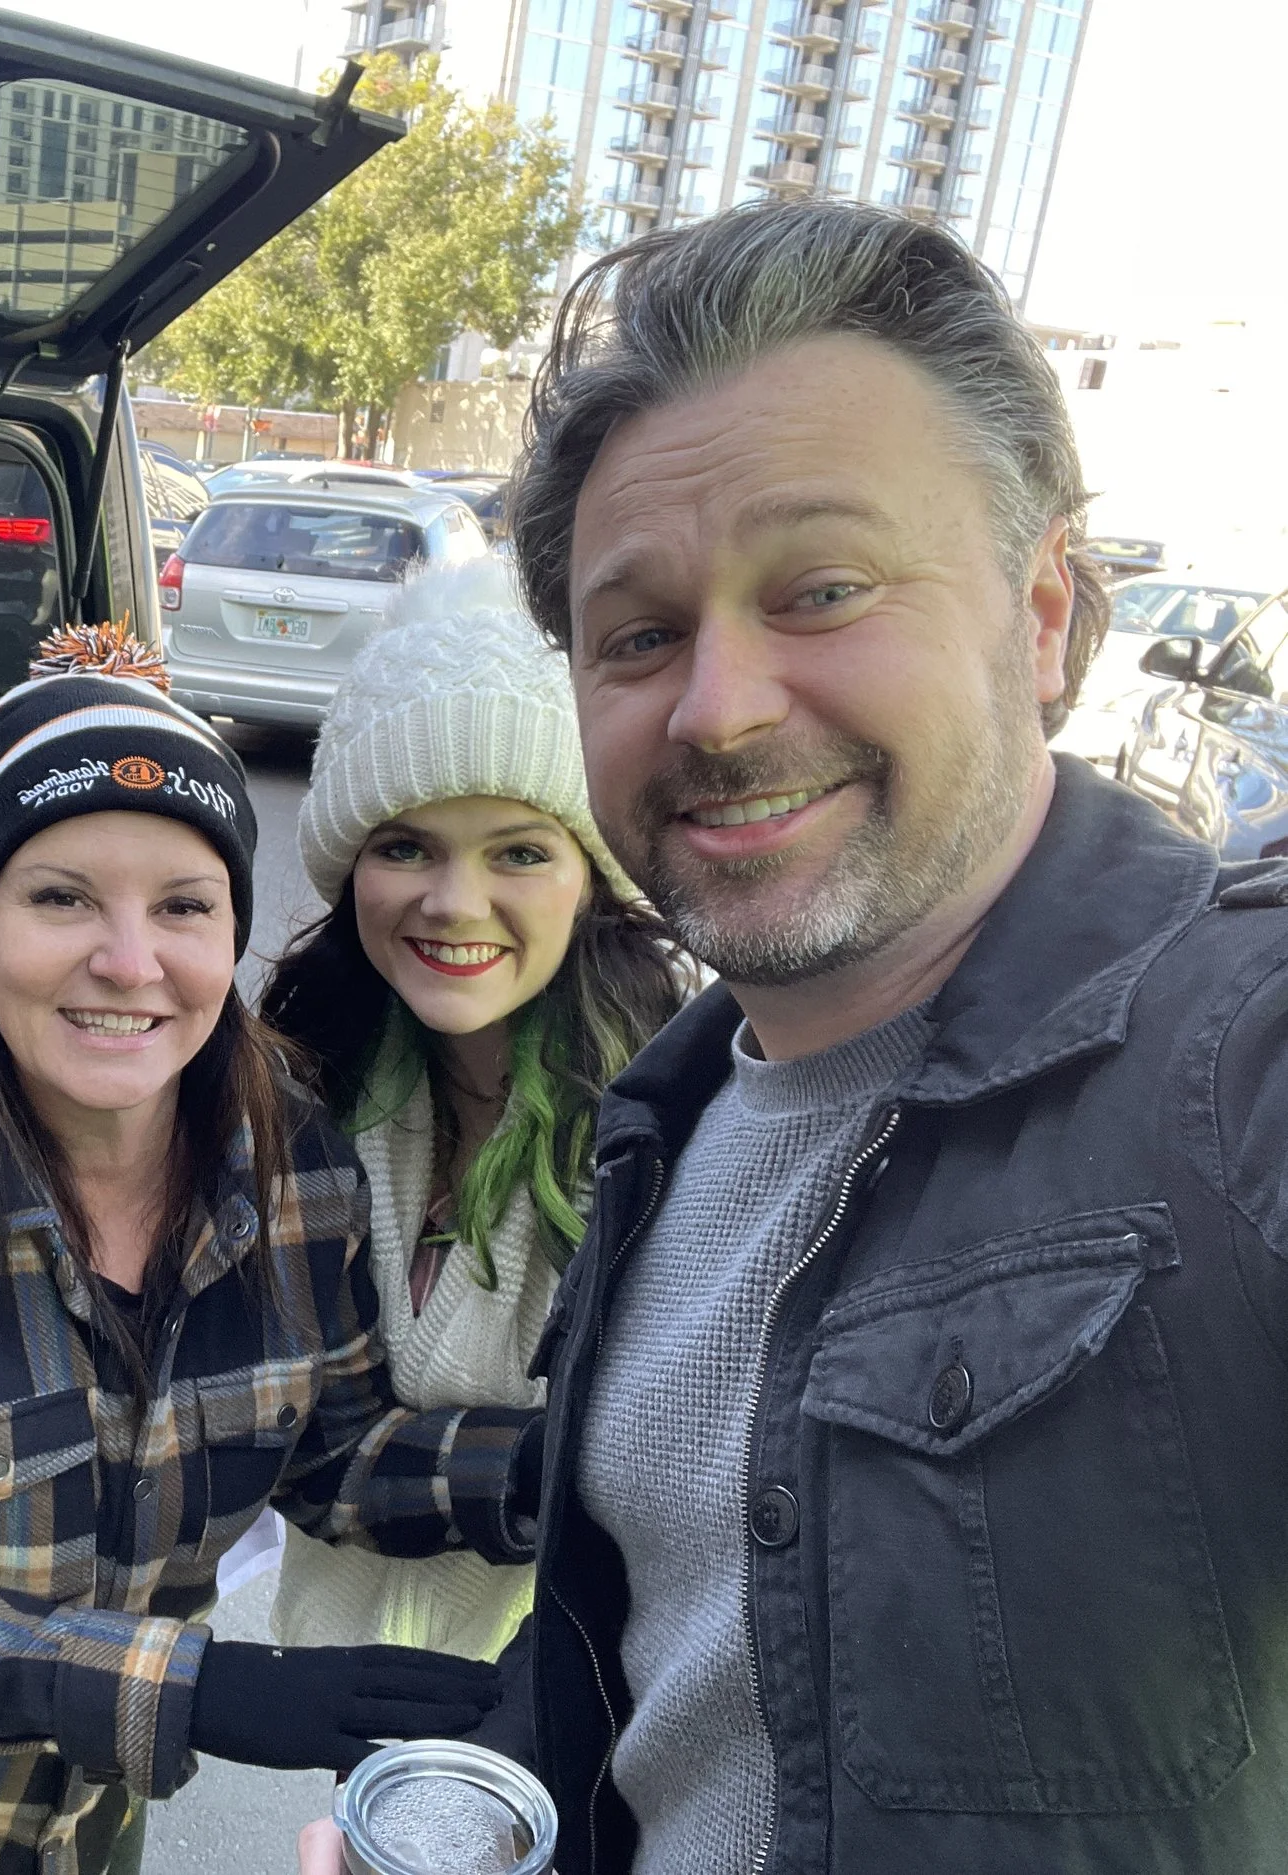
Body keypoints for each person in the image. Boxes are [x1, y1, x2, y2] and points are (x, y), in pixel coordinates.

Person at [495, 197, 1288, 1875]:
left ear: (1043, 612)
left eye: (824, 588)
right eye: (640, 634)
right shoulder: (663, 1127)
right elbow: (684, 1683)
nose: (718, 706)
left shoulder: (1235, 1060)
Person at [0, 638, 545, 1875]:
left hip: (85, 1819)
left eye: (183, 907)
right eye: (62, 898)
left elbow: (334, 1452)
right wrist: (198, 1693)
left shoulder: (293, 1164)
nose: (130, 963)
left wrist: (544, 1473)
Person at [257, 578, 681, 1664]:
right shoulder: (306, 1077)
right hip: (324, 1674)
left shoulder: (668, 1122)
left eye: (519, 851)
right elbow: (287, 1429)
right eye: (405, 846)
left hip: (563, 1702)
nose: (453, 901)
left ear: (590, 876)